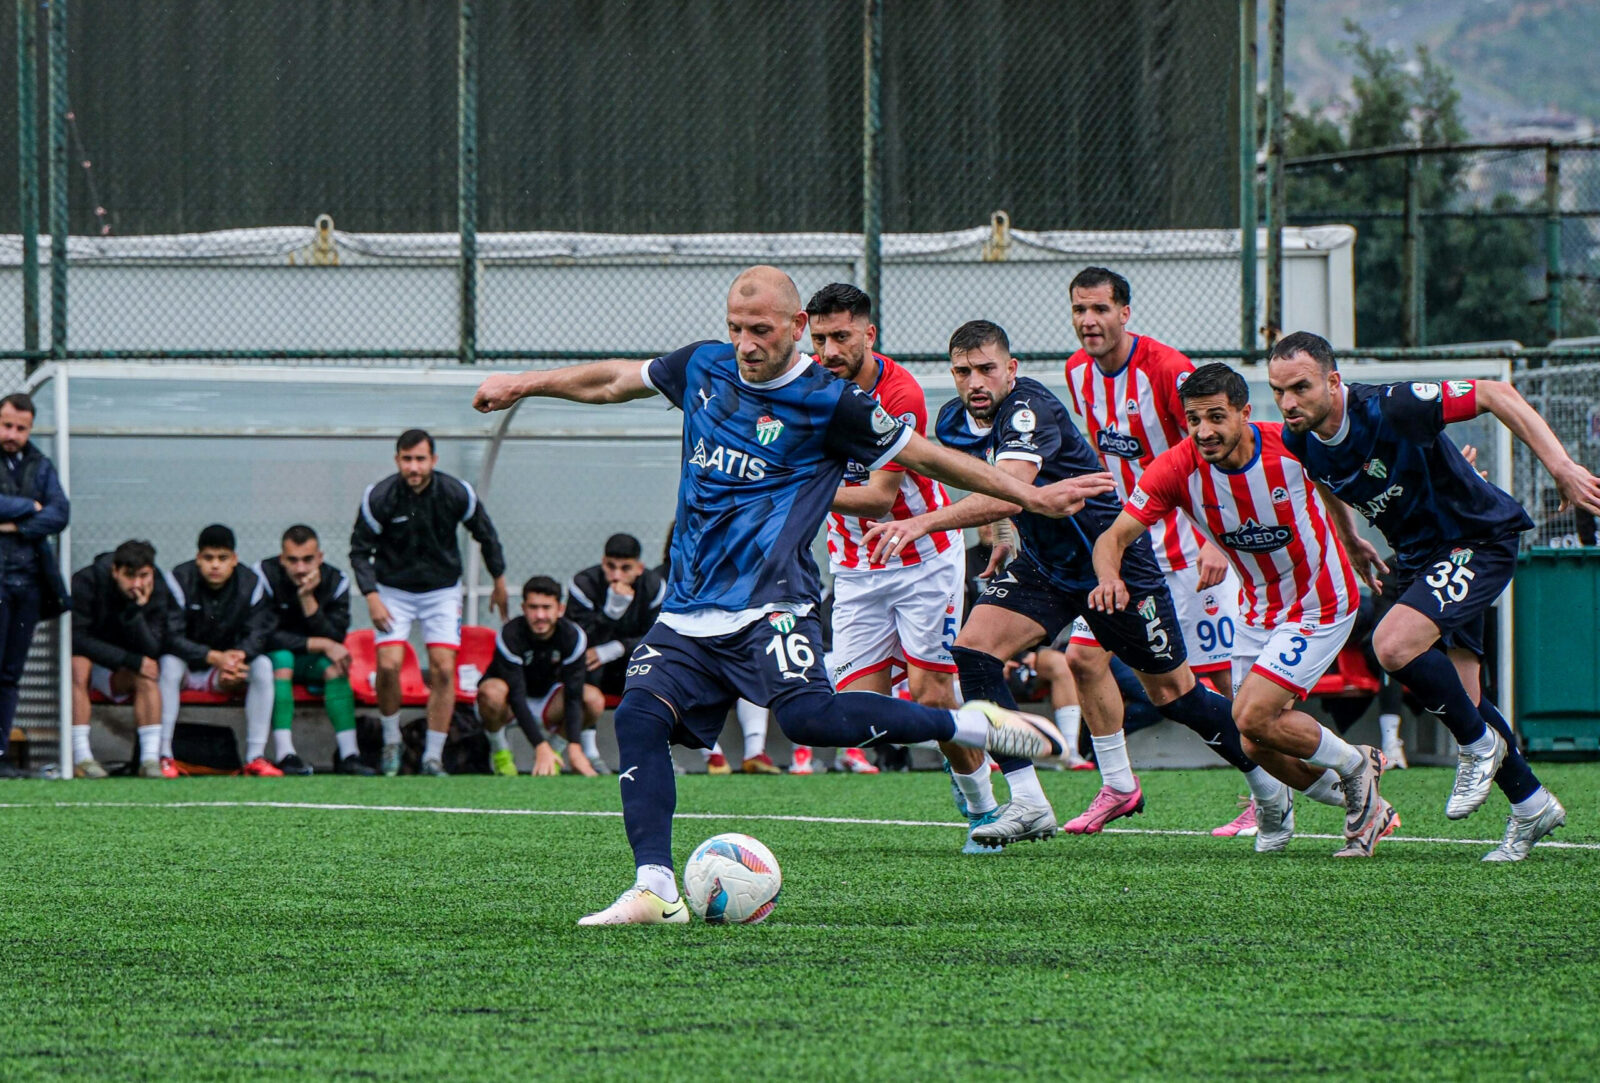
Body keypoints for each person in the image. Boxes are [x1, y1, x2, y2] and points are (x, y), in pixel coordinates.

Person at [474, 265, 1101, 925]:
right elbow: (613, 380)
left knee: (808, 720)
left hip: (772, 603)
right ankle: (655, 887)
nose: (746, 344)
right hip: (688, 608)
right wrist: (522, 384)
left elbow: (924, 456)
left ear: (796, 327)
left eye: (761, 330)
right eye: (735, 328)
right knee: (638, 717)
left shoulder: (832, 402)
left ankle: (969, 725)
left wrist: (1028, 496)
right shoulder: (704, 367)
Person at [869, 320, 1287, 848]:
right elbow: (993, 482)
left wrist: (923, 522)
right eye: (962, 371)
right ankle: (1030, 801)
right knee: (975, 653)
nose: (974, 381)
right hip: (1045, 564)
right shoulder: (956, 421)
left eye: (986, 369)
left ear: (1011, 369)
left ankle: (1269, 787)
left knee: (1174, 695)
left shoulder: (1029, 408)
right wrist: (1005, 534)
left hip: (1110, 564)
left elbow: (1012, 484)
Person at [1270, 331, 1600, 861]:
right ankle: (1531, 803)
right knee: (1465, 697)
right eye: (1278, 390)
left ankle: (1478, 745)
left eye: (1300, 388)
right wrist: (1350, 537)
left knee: (1392, 645)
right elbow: (1325, 477)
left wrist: (1561, 466)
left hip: (1478, 539)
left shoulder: (1393, 406)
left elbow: (1496, 392)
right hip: (1422, 556)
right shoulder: (1301, 438)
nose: (1288, 402)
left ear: (1333, 382)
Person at [1089, 363, 1393, 857]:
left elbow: (1336, 482)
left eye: (1216, 417)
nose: (1204, 431)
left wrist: (1351, 538)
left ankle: (1358, 765)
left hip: (1321, 602)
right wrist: (1108, 578)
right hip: (1256, 611)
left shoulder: (1292, 445)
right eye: (1193, 420)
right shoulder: (1176, 468)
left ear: (1244, 412)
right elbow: (1113, 537)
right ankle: (1354, 799)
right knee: (1252, 740)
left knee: (1252, 714)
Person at [1060, 267, 1248, 833]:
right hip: (1130, 552)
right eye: (1079, 310)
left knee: (1224, 682)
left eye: (1100, 309)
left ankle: (1266, 791)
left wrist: (1215, 540)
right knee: (1082, 658)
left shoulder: (1167, 369)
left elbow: (1213, 450)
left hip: (1190, 550)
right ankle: (1119, 785)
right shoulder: (1076, 372)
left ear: (1125, 313)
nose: (1089, 321)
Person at [804, 282, 970, 793]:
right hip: (856, 567)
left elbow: (879, 497)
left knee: (932, 693)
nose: (829, 351)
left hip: (924, 559)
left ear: (869, 334)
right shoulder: (802, 389)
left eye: (841, 337)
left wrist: (794, 488)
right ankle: (966, 725)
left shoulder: (900, 394)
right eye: (819, 339)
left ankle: (985, 805)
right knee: (859, 717)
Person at [351, 429, 509, 777]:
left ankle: (432, 757)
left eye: (420, 459)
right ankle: (392, 741)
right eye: (407, 459)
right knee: (389, 665)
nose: (414, 467)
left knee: (443, 668)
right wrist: (372, 596)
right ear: (397, 460)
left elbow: (485, 533)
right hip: (392, 590)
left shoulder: (456, 492)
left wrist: (499, 578)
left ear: (433, 460)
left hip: (441, 591)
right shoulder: (379, 497)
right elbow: (359, 551)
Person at [159, 525, 279, 776]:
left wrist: (238, 658)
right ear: (198, 558)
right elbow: (169, 636)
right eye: (208, 558)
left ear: (234, 559)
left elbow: (259, 631)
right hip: (186, 669)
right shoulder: (179, 580)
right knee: (168, 663)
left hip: (225, 672)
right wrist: (213, 657)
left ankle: (255, 758)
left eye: (222, 558)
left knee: (263, 666)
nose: (215, 565)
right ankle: (164, 756)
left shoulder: (251, 583)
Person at [255, 525, 370, 775]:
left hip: (311, 663)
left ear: (320, 557)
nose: (300, 568)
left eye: (307, 560)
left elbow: (336, 637)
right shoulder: (264, 575)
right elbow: (263, 636)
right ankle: (286, 754)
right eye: (292, 560)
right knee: (282, 658)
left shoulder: (336, 580)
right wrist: (322, 644)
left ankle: (350, 754)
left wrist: (308, 598)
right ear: (281, 558)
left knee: (336, 666)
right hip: (276, 662)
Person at [0, 393, 70, 778]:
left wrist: (14, 525)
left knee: (10, 674)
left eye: (21, 428)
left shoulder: (40, 464)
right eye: (7, 425)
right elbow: (42, 510)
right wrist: (29, 506)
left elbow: (60, 513)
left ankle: (1, 756)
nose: (13, 434)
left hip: (27, 585)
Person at [478, 576, 603, 777]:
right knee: (491, 692)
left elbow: (573, 695)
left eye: (546, 607)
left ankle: (554, 754)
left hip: (549, 703)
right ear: (523, 608)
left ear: (560, 609)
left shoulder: (573, 636)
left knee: (593, 699)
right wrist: (539, 745)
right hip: (508, 705)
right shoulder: (510, 634)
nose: (540, 615)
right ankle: (501, 754)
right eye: (533, 607)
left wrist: (575, 747)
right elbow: (517, 696)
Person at [567, 532, 667, 774]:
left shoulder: (654, 587)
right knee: (588, 660)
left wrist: (616, 648)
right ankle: (590, 752)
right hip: (592, 671)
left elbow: (659, 636)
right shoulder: (584, 584)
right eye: (610, 567)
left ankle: (658, 752)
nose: (616, 575)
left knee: (660, 669)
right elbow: (575, 639)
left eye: (625, 568)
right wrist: (610, 613)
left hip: (630, 664)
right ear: (603, 562)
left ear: (639, 568)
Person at [69, 541, 170, 778]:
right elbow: (77, 638)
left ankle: (149, 761)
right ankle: (82, 758)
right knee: (77, 666)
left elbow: (153, 648)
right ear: (115, 571)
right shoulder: (86, 581)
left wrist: (136, 612)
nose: (137, 584)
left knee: (147, 673)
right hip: (93, 661)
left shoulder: (158, 587)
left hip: (123, 669)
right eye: (129, 575)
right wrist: (129, 659)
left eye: (143, 576)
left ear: (151, 572)